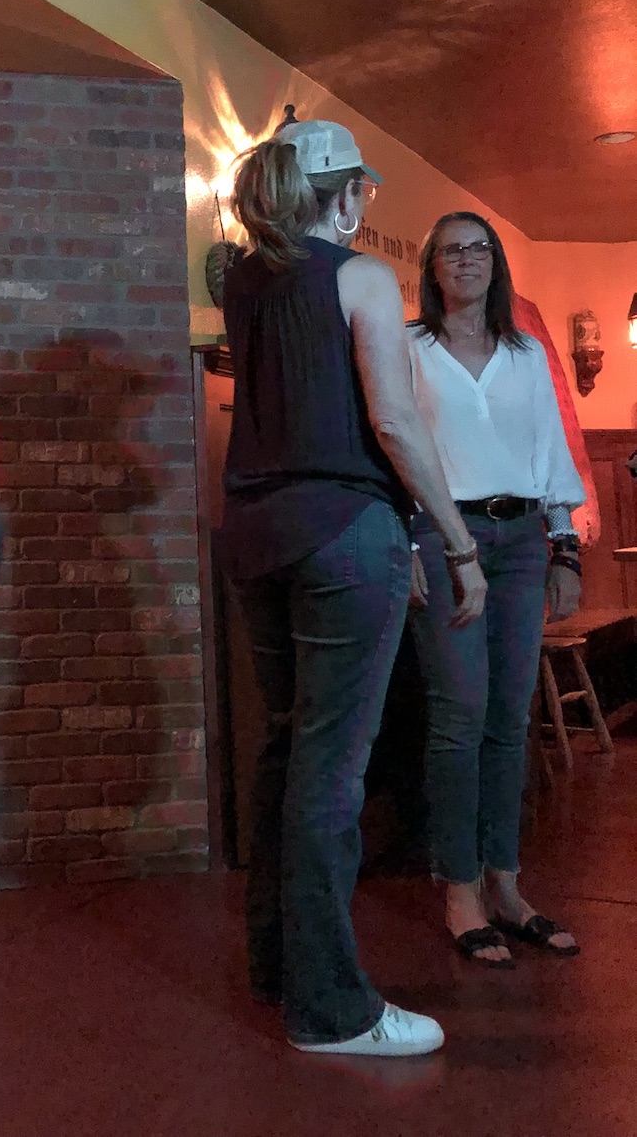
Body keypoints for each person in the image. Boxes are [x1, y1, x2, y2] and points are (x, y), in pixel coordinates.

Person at [220, 118, 487, 1058]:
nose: (364, 202)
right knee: (331, 771)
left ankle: (279, 965)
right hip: (341, 530)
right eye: (361, 190)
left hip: (255, 533)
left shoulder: (240, 280)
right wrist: (456, 543)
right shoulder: (361, 275)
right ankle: (332, 1007)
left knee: (287, 751)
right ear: (341, 194)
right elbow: (395, 422)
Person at [408, 212, 584, 963]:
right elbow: (389, 445)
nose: (467, 259)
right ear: (432, 267)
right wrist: (404, 540)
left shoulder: (525, 352)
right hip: (443, 535)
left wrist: (565, 549)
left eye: (479, 248)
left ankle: (506, 884)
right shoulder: (410, 350)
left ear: (496, 263)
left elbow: (549, 452)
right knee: (460, 714)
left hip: (520, 541)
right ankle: (459, 889)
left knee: (511, 718)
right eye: (451, 250)